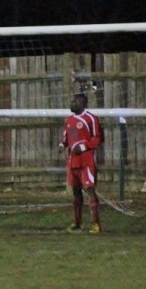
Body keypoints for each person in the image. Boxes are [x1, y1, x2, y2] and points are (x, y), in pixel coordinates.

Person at [61, 92, 104, 233]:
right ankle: (77, 222)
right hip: (73, 160)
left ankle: (96, 223)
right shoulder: (68, 120)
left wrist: (84, 146)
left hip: (86, 160)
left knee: (90, 189)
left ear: (83, 104)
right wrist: (62, 145)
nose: (72, 103)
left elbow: (98, 139)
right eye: (72, 101)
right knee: (76, 192)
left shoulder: (91, 119)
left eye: (75, 101)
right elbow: (66, 138)